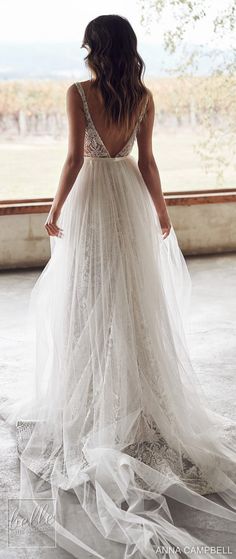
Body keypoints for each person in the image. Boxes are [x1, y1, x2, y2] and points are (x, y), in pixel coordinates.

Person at [1, 14, 236, 559]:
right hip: (128, 199)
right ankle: (136, 398)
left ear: (93, 47)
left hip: (91, 200)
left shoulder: (79, 92)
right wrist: (161, 213)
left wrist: (54, 209)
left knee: (89, 301)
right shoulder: (144, 97)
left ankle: (90, 396)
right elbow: (148, 162)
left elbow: (71, 159)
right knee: (132, 301)